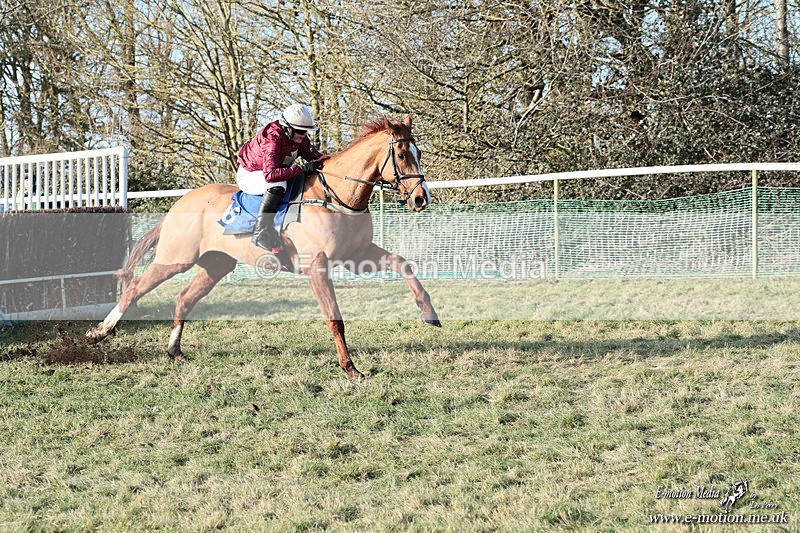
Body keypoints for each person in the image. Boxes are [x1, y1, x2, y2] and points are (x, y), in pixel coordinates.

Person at [236, 103, 327, 250]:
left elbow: (316, 157)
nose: (303, 135)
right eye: (299, 131)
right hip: (249, 175)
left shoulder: (299, 136)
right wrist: (302, 168)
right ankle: (260, 233)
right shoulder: (272, 139)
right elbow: (270, 175)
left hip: (271, 172)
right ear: (287, 128)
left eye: (306, 132)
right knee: (279, 184)